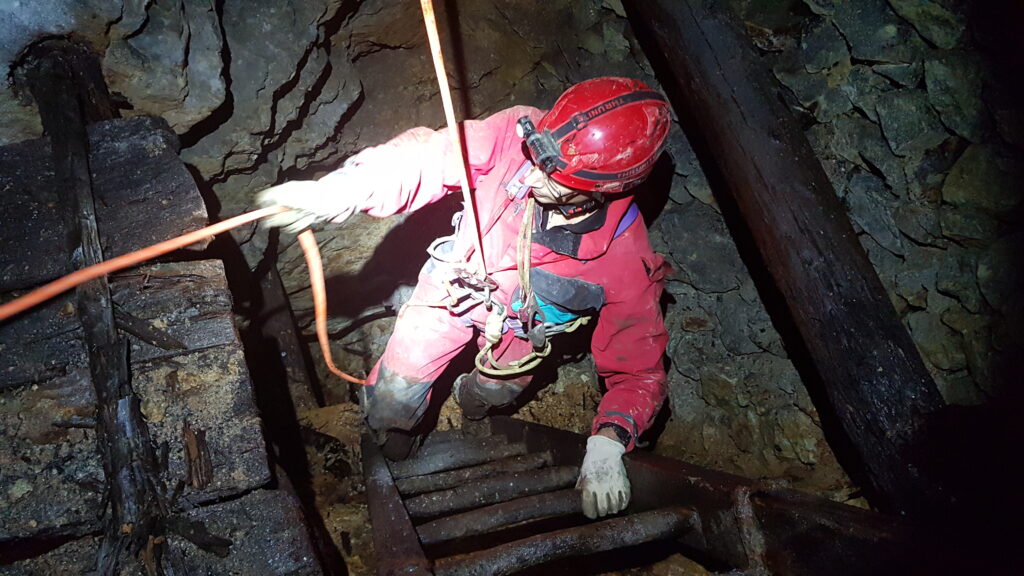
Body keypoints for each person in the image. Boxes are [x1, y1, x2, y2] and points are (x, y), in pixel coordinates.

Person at [258, 77, 672, 519]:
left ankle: (474, 408)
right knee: (392, 397)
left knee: (489, 398)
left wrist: (609, 441)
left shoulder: (625, 263)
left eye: (552, 177)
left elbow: (639, 372)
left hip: (517, 343)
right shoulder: (519, 134)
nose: (528, 175)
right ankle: (396, 451)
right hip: (454, 291)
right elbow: (429, 157)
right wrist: (348, 188)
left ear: (600, 189)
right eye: (534, 157)